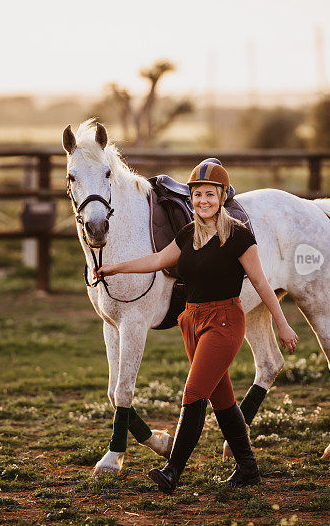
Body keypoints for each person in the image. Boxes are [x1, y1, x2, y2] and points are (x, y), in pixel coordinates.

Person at [93, 159, 298, 494]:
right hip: (191, 322)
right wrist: (114, 269)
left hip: (224, 321)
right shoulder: (187, 233)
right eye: (198, 194)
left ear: (223, 196)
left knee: (193, 394)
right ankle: (248, 467)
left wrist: (283, 323)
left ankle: (173, 470)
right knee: (224, 401)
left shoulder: (239, 235)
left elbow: (261, 282)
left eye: (211, 194)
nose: (203, 200)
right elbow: (158, 261)